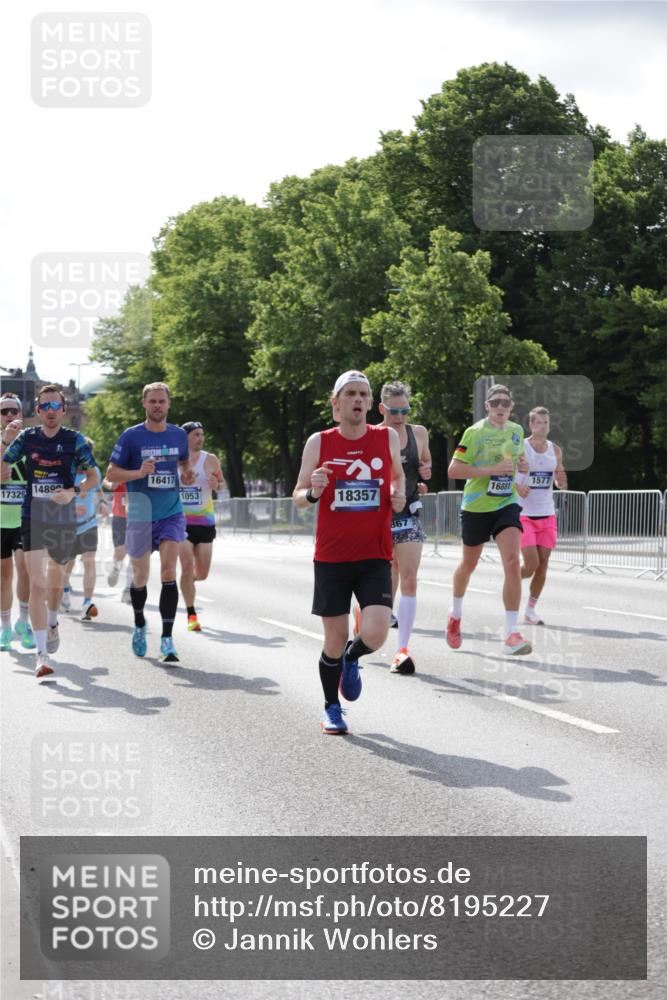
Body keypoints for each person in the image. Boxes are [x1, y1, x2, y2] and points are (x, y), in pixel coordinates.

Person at [293, 370, 405, 735]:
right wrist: (313, 490)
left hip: (374, 553)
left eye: (363, 394)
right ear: (336, 402)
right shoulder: (319, 442)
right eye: (351, 393)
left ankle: (352, 660)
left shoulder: (386, 436)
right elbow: (298, 499)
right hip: (332, 558)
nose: (358, 399)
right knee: (334, 637)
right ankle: (331, 708)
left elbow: (397, 476)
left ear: (371, 403)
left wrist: (396, 491)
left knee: (375, 634)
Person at [1, 385, 97, 680]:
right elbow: (4, 468)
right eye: (45, 407)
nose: (51, 411)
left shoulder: (75, 440)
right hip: (33, 516)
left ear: (63, 410)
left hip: (63, 518)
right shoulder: (27, 438)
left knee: (56, 581)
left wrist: (74, 492)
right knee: (38, 586)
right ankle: (40, 655)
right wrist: (5, 445)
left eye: (56, 406)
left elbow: (94, 476)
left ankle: (53, 622)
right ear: (38, 411)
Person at [105, 382, 195, 664]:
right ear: (144, 404)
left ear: (169, 404)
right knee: (140, 575)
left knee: (169, 571)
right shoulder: (131, 437)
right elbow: (111, 474)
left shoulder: (179, 435)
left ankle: (167, 639)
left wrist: (187, 473)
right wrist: (138, 472)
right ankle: (140, 624)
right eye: (152, 401)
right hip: (141, 513)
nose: (157, 405)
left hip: (171, 512)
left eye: (162, 401)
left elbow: (183, 463)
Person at [446, 384, 532, 656]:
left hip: (505, 504)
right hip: (476, 507)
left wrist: (521, 479)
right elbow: (454, 469)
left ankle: (511, 634)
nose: (500, 408)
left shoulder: (518, 432)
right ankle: (455, 614)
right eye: (494, 403)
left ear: (511, 407)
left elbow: (519, 463)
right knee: (468, 564)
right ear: (487, 407)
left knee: (511, 561)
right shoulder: (474, 433)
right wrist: (490, 470)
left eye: (505, 403)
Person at [378, 381, 432, 675]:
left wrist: (425, 474)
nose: (400, 416)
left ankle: (402, 649)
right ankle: (370, 614)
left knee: (410, 578)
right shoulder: (372, 435)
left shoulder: (419, 433)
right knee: (385, 572)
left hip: (409, 511)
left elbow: (427, 464)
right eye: (394, 410)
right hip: (378, 515)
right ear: (382, 408)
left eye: (405, 410)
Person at [516, 406, 567, 624]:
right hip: (524, 514)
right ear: (531, 424)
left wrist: (561, 482)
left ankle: (530, 610)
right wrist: (517, 487)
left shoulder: (554, 450)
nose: (543, 426)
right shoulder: (521, 447)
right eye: (539, 422)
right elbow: (505, 473)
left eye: (546, 423)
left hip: (547, 514)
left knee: (543, 564)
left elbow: (559, 477)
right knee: (531, 564)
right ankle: (513, 578)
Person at [178, 421, 224, 632]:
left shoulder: (211, 459)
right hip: (181, 523)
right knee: (187, 567)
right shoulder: (175, 461)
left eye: (202, 435)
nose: (200, 438)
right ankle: (191, 614)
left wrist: (217, 485)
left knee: (202, 573)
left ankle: (189, 582)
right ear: (185, 437)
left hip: (205, 523)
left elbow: (221, 484)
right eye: (196, 434)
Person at [0, 393, 34, 651]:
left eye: (14, 411)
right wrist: (5, 443)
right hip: (2, 519)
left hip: (25, 517)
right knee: (4, 575)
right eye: (4, 412)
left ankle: (24, 621)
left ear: (21, 414)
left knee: (26, 570)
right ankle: (5, 628)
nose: (10, 415)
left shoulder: (34, 440)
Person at [60, 440, 103, 621]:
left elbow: (99, 490)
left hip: (89, 524)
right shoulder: (64, 473)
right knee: (66, 566)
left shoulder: (95, 472)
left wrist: (102, 503)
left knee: (89, 561)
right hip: (67, 527)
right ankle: (65, 591)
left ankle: (87, 602)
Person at [104, 480, 133, 603]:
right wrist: (112, 485)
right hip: (119, 516)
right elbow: (105, 480)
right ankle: (116, 567)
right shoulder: (119, 465)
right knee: (120, 551)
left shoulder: (142, 466)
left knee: (134, 554)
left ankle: (128, 589)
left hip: (137, 516)